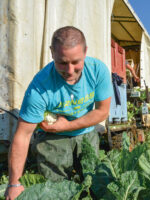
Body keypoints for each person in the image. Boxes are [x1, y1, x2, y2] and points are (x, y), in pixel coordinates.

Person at [5, 26, 113, 200]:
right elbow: (23, 136)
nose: (69, 71)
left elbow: (102, 112)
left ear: (85, 52)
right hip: (52, 136)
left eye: (75, 62)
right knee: (56, 191)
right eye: (62, 62)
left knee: (95, 186)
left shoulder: (97, 71)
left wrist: (67, 125)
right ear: (52, 53)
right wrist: (14, 184)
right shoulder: (40, 87)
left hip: (86, 132)